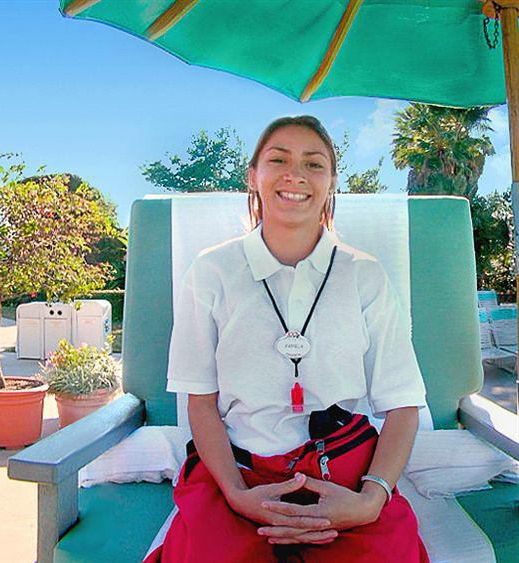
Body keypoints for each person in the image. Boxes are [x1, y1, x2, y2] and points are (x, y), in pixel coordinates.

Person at [149, 116, 429, 562]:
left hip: (343, 470)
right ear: (254, 176)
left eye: (314, 164)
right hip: (238, 467)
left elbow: (402, 407)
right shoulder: (212, 272)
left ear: (332, 182)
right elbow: (200, 402)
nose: (295, 174)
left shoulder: (365, 275)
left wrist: (370, 500)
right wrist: (238, 495)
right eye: (278, 159)